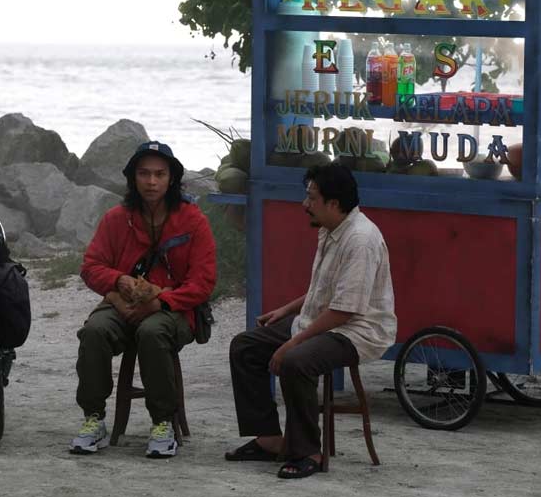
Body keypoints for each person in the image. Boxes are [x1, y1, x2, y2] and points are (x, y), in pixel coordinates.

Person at [225, 163, 396, 479]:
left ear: (333, 203)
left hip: (358, 330)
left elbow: (345, 311)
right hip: (322, 319)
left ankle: (308, 452)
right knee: (245, 346)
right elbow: (325, 290)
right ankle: (270, 440)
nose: (305, 205)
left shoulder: (360, 239)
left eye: (311, 198)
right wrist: (286, 310)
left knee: (296, 361)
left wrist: (291, 343)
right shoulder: (330, 228)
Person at [70, 141, 216, 458]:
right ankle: (93, 418)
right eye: (144, 174)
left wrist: (160, 302)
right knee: (94, 331)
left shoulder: (194, 221)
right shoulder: (115, 218)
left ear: (172, 178)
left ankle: (163, 422)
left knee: (152, 333)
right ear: (133, 178)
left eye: (160, 174)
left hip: (175, 308)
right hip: (122, 304)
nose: (152, 182)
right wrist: (118, 281)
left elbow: (203, 283)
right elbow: (90, 266)